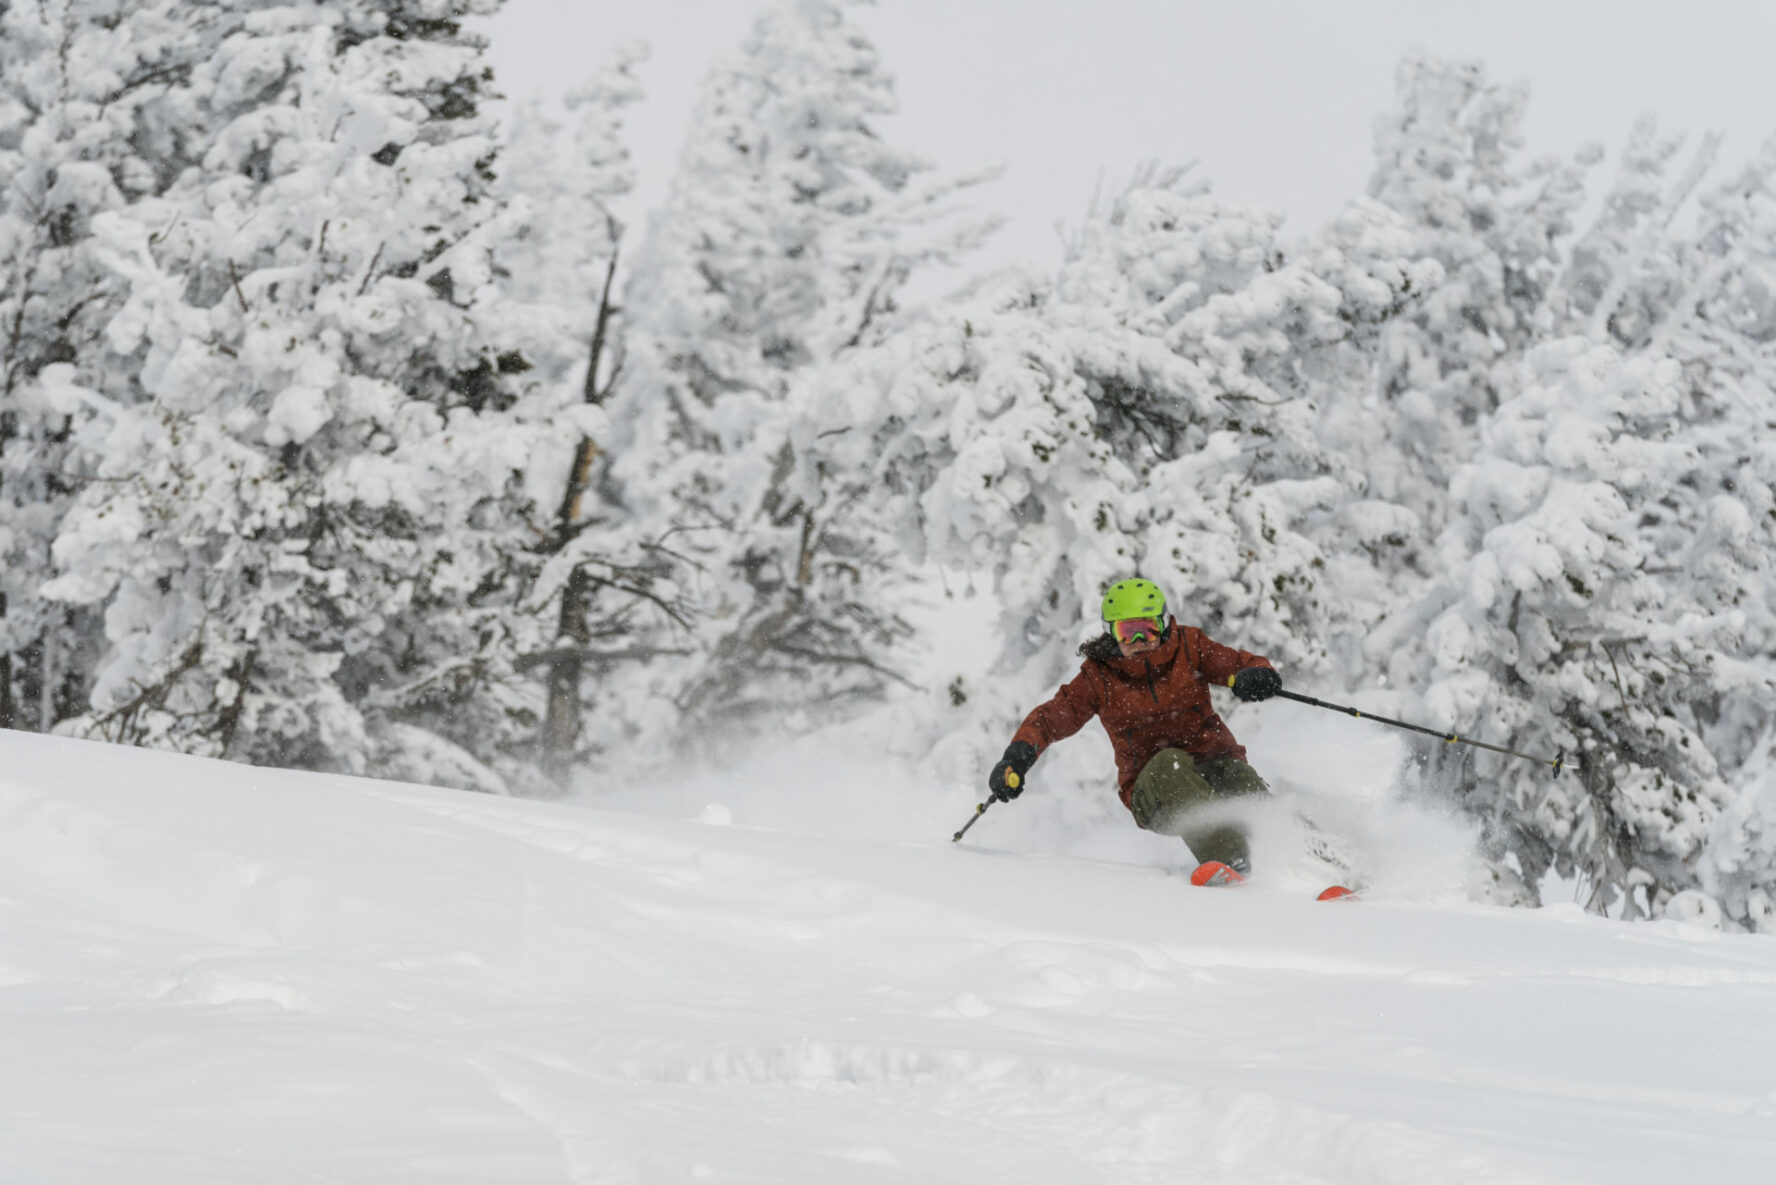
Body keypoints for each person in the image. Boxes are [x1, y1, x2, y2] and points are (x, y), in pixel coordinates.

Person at [988, 578, 1283, 878]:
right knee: (1171, 764)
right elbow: (1049, 718)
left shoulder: (1190, 647)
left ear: (1164, 624)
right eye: (1127, 632)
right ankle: (1234, 862)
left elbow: (1236, 663)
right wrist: (1017, 757)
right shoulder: (1099, 677)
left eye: (1148, 628)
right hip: (1153, 793)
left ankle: (1304, 856)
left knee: (1240, 781)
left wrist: (1257, 674)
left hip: (1214, 766)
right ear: (1111, 634)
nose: (1139, 640)